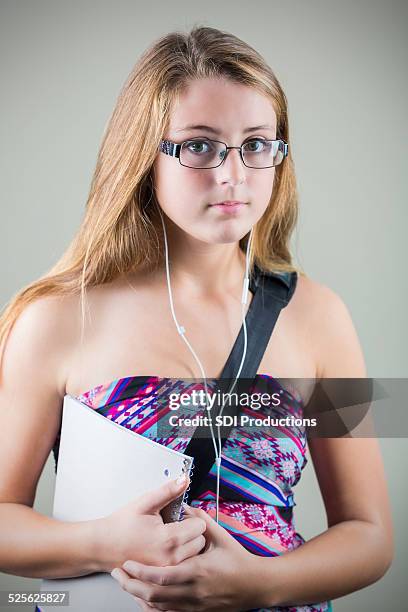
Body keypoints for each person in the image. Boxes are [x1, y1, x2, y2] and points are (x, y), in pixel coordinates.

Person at [0, 25, 393, 612]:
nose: (232, 175)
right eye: (199, 145)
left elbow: (372, 534)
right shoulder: (54, 319)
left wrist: (258, 585)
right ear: (144, 156)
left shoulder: (323, 317)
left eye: (256, 144)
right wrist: (100, 543)